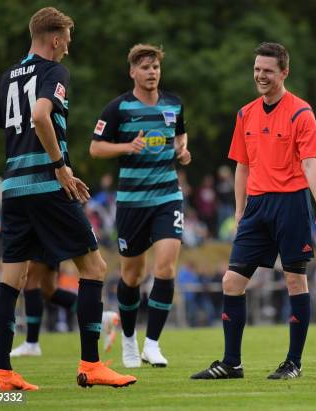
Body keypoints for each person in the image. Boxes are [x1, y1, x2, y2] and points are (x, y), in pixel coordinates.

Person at [0, 7, 136, 390]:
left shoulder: (8, 76)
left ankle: (3, 374)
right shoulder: (54, 72)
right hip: (45, 185)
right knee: (94, 269)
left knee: (12, 281)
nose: (68, 50)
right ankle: (91, 364)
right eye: (67, 41)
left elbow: (14, 128)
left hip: (13, 188)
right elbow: (41, 115)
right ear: (55, 39)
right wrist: (60, 166)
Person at [191, 42, 316, 380]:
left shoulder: (302, 112)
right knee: (231, 281)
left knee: (294, 280)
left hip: (292, 204)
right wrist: (240, 210)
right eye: (257, 69)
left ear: (284, 72)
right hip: (256, 207)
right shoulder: (245, 114)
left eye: (268, 70)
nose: (260, 75)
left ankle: (293, 363)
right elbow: (242, 165)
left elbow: (311, 163)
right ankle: (231, 363)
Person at [90, 44, 191, 368]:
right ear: (132, 71)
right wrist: (126, 146)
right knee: (132, 276)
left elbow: (180, 136)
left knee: (165, 268)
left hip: (167, 196)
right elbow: (95, 148)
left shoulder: (173, 103)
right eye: (145, 67)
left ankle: (153, 344)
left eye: (155, 67)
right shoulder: (118, 108)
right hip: (132, 202)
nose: (151, 73)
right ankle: (130, 342)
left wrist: (182, 151)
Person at [9, 261, 119, 357]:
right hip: (48, 241)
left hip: (43, 239)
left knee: (31, 282)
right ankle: (101, 319)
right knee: (48, 289)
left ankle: (31, 343)